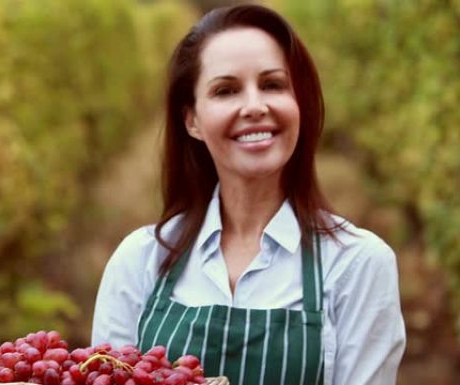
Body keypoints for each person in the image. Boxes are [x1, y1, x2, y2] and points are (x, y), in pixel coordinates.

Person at [91, 4, 405, 385]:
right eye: (226, 90)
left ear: (300, 103)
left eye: (273, 84)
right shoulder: (140, 262)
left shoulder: (357, 265)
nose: (255, 107)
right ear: (192, 120)